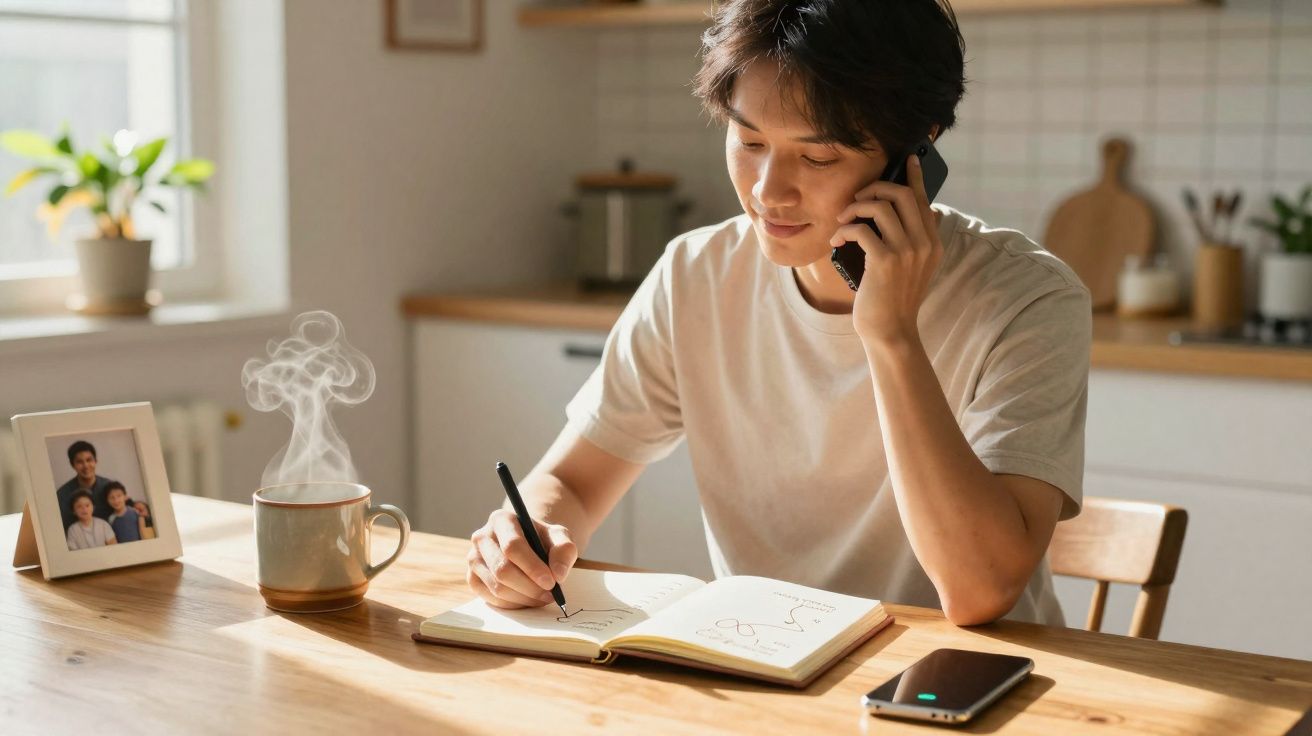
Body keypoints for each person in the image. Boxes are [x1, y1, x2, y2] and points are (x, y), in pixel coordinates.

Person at [464, 0, 1090, 626]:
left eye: (817, 157)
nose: (768, 190)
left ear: (913, 155)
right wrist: (527, 537)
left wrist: (891, 335)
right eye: (749, 140)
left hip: (954, 689)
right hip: (766, 669)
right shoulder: (696, 274)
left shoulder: (1027, 300)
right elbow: (572, 483)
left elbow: (979, 591)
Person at [55, 440, 150, 531]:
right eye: (80, 462)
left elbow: (128, 506)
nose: (86, 465)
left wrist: (141, 507)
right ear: (72, 465)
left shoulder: (111, 487)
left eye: (89, 460)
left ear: (95, 461)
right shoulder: (62, 494)